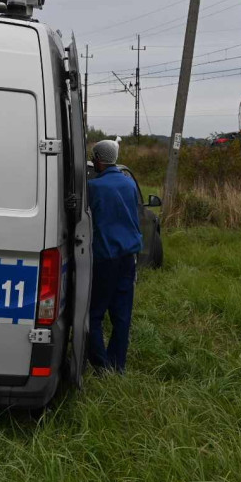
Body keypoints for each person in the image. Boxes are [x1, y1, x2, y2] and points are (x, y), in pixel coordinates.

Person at [86, 139, 143, 373]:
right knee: (121, 315)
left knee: (94, 314)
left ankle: (101, 365)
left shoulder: (94, 187)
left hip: (105, 257)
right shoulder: (129, 184)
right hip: (128, 257)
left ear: (98, 160)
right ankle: (118, 366)